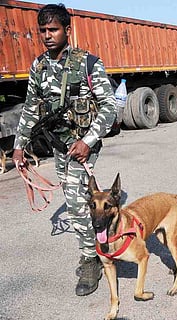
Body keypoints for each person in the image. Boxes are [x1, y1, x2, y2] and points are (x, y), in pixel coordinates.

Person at [12, 4, 117, 296]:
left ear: (67, 31)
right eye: (43, 30)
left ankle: (90, 259)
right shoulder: (39, 66)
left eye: (53, 29)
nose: (47, 35)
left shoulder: (88, 64)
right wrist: (19, 145)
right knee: (79, 201)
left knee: (73, 201)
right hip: (59, 147)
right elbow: (31, 108)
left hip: (84, 146)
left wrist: (88, 141)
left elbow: (110, 108)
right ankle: (97, 242)